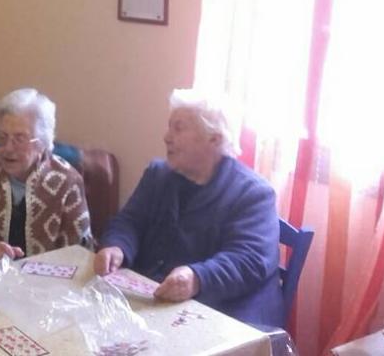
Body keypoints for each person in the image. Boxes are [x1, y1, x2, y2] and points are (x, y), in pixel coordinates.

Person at [93, 88, 284, 326]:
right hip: (158, 303)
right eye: (169, 127)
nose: (166, 137)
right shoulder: (158, 175)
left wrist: (197, 278)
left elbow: (249, 261)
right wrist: (117, 245)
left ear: (214, 139)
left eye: (179, 128)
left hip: (225, 315)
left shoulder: (254, 193)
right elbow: (130, 220)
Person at [0, 88, 92, 269]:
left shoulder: (67, 181)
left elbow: (79, 254)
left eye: (19, 139)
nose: (8, 148)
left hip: (50, 281)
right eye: (2, 137)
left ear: (42, 143)